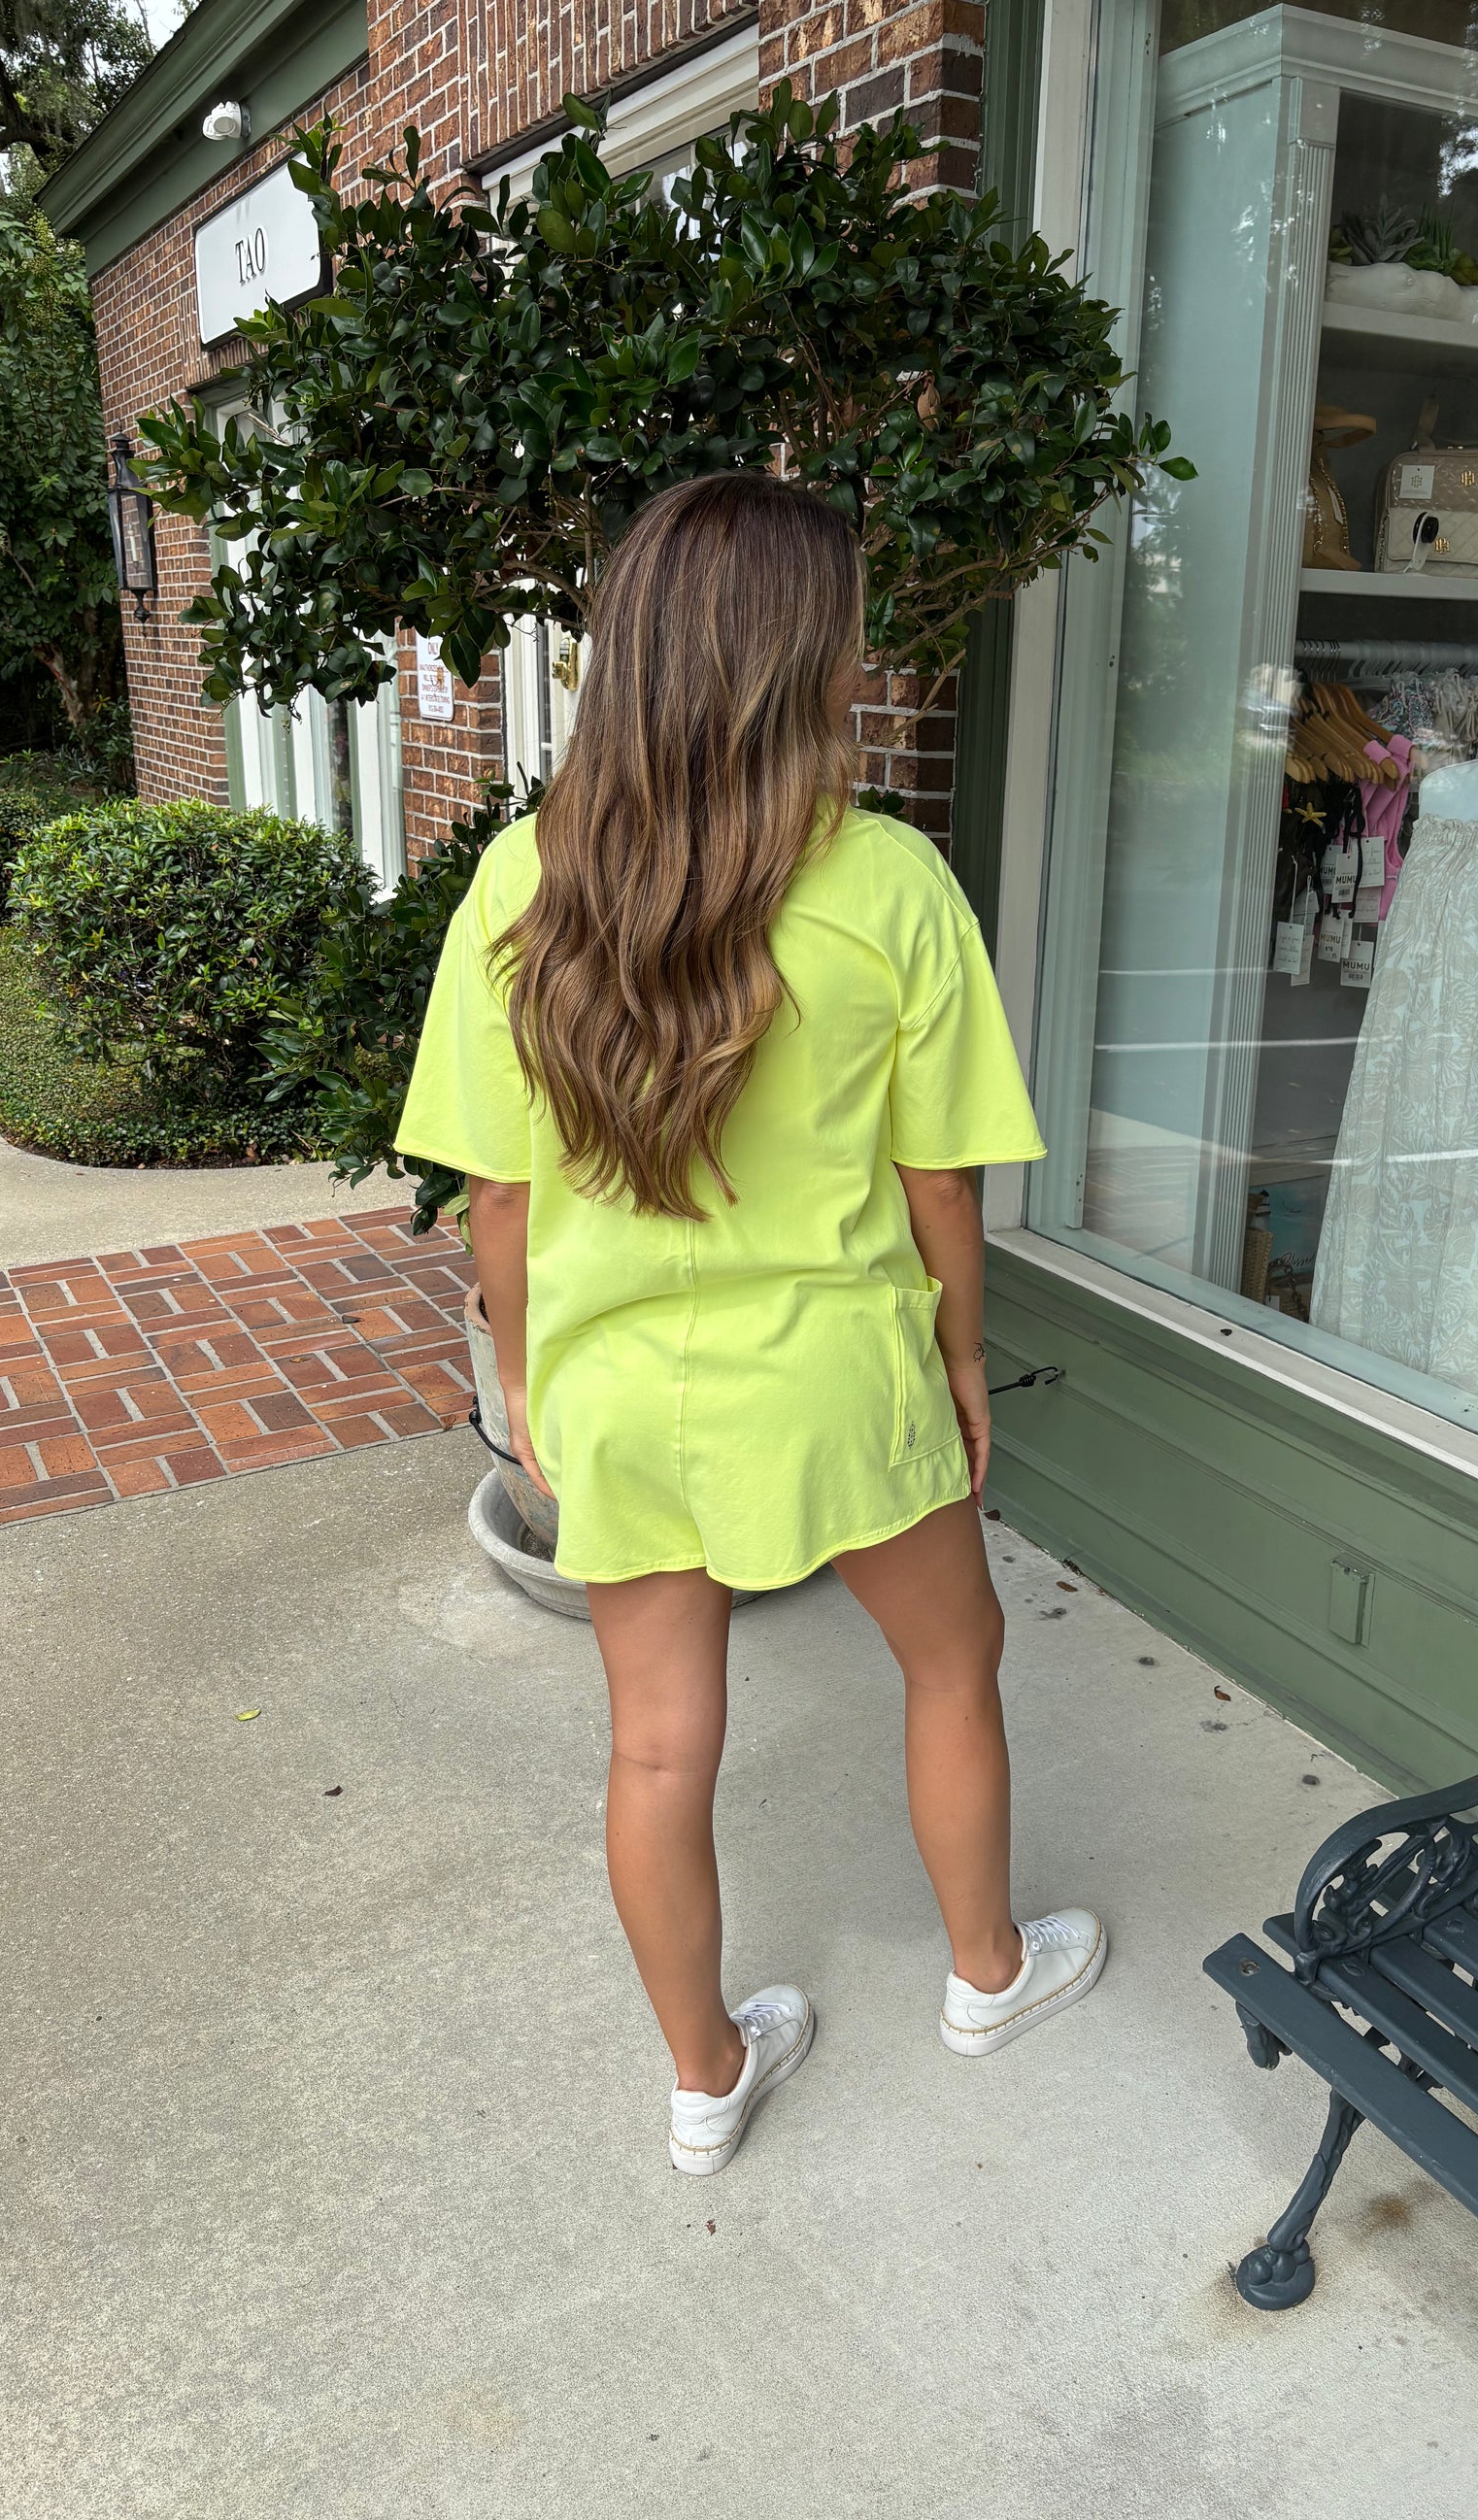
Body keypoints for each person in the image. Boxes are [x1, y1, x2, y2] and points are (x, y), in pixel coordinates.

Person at [396, 472, 1105, 2176]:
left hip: (619, 1388)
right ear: (812, 657)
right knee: (953, 1659)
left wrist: (521, 1389)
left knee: (653, 1743)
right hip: (842, 1372)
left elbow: (495, 1200)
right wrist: (953, 1358)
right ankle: (985, 1974)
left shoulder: (518, 880)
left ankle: (704, 2080)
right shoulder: (891, 882)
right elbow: (941, 1186)